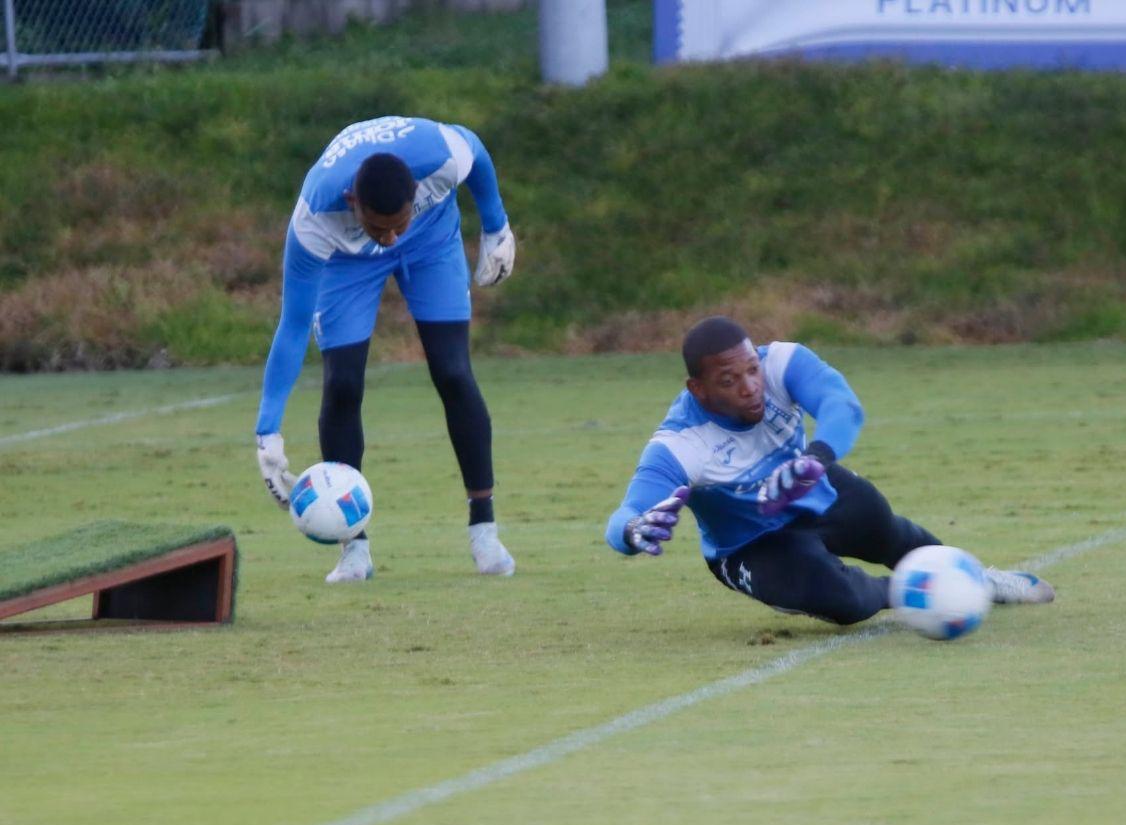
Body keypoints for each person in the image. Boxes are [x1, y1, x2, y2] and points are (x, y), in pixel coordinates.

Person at [605, 316, 1054, 624]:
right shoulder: (681, 442)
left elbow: (842, 406)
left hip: (810, 490)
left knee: (881, 522)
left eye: (751, 370)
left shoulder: (783, 362)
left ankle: (972, 577)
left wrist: (814, 459)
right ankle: (918, 591)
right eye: (729, 381)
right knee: (842, 602)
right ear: (698, 390)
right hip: (752, 544)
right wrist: (633, 531)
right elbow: (625, 515)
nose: (750, 387)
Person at [254, 116, 517, 583]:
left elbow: (475, 149)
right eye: (380, 226)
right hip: (347, 261)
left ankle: (485, 529)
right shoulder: (316, 218)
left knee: (454, 371)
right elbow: (293, 325)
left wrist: (496, 227)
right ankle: (353, 549)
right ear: (354, 202)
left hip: (431, 238)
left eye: (398, 223)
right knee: (342, 383)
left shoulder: (439, 156)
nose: (390, 237)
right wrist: (267, 431)